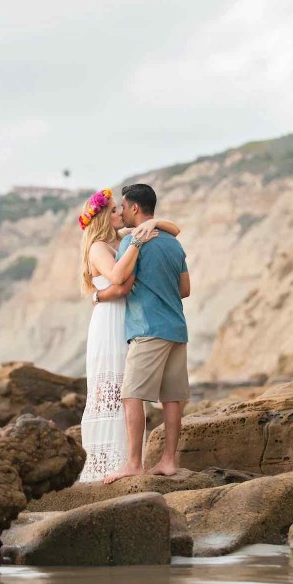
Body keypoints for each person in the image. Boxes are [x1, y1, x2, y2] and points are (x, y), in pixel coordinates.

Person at [77, 187, 180, 482]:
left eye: (119, 208)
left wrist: (154, 223)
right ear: (102, 218)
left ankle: (128, 459)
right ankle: (106, 464)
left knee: (128, 388)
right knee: (115, 389)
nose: (120, 212)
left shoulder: (121, 240)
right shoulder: (99, 246)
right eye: (113, 210)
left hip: (127, 318)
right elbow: (119, 282)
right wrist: (98, 298)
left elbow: (176, 229)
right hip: (109, 321)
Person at [104, 183, 190, 483]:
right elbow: (185, 290)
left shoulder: (133, 244)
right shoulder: (173, 244)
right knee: (172, 398)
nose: (122, 212)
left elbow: (120, 282)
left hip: (148, 328)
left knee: (131, 394)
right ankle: (168, 461)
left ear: (135, 208)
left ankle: (133, 463)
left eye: (124, 207)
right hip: (177, 328)